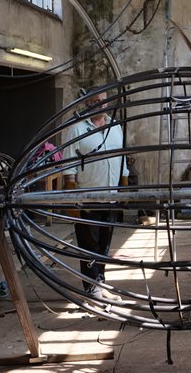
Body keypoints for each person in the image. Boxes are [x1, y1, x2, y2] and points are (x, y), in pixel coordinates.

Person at [65, 90, 128, 301]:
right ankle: (91, 287)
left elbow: (122, 159)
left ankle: (100, 280)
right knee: (88, 244)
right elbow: (68, 167)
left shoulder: (115, 127)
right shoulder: (77, 129)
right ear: (86, 105)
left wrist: (124, 190)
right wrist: (73, 199)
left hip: (110, 196)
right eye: (94, 102)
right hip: (87, 198)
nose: (99, 105)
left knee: (104, 243)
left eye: (102, 101)